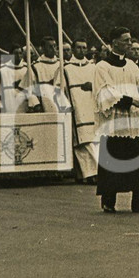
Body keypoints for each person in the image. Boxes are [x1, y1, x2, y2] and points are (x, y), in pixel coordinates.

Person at [93, 26, 139, 214]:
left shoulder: (131, 65)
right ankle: (109, 200)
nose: (130, 43)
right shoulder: (102, 67)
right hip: (116, 119)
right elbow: (105, 93)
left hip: (135, 119)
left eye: (130, 40)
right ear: (114, 42)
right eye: (126, 40)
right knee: (114, 158)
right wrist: (133, 102)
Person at [63, 39, 99, 183]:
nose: (82, 51)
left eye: (84, 48)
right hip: (76, 108)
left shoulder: (93, 67)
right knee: (82, 142)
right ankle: (89, 174)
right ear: (73, 50)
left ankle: (89, 173)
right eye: (78, 48)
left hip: (91, 107)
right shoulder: (65, 68)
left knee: (92, 141)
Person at [31, 36, 70, 112]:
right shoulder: (36, 67)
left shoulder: (62, 64)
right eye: (50, 46)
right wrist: (36, 104)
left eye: (54, 46)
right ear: (42, 48)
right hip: (45, 102)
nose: (53, 49)